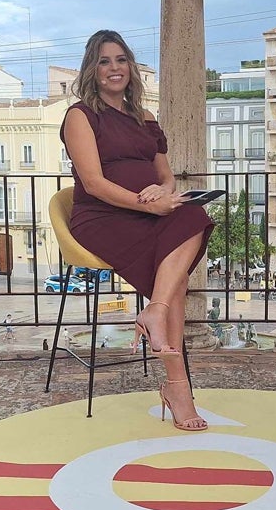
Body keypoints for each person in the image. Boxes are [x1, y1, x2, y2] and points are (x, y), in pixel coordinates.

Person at [61, 29, 214, 432]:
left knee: (193, 214)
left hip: (146, 211)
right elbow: (93, 183)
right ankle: (178, 387)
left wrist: (162, 194)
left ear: (131, 66)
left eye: (121, 60)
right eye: (104, 61)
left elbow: (166, 177)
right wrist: (146, 203)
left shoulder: (145, 118)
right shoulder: (80, 115)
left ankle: (156, 311)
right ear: (91, 70)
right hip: (102, 216)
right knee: (175, 277)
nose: (114, 68)